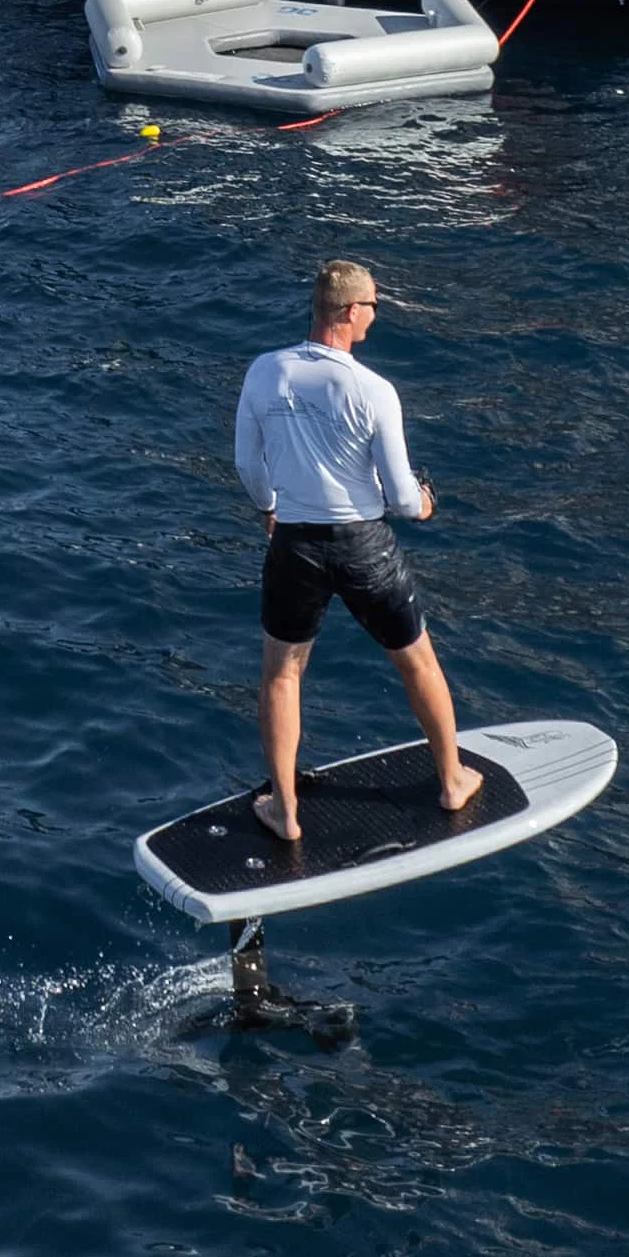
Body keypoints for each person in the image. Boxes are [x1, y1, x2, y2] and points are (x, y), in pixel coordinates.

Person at [233, 259, 476, 846]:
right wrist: (425, 504)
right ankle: (451, 782)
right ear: (348, 312)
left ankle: (285, 813)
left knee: (282, 676)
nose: (376, 313)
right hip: (364, 543)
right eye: (371, 304)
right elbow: (398, 496)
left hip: (294, 543)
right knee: (417, 660)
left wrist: (269, 505)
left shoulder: (265, 372)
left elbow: (247, 463)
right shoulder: (373, 390)